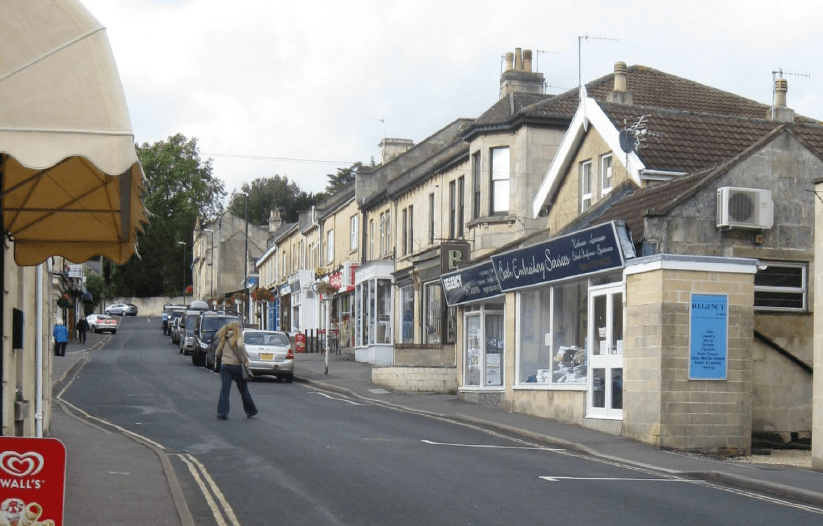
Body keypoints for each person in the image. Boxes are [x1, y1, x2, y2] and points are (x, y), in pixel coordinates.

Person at [214, 322, 257, 420]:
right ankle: (251, 411)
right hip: (236, 366)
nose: (241, 329)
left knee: (225, 390)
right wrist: (245, 359)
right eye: (240, 327)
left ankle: (222, 413)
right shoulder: (238, 336)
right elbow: (240, 346)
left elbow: (217, 352)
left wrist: (224, 358)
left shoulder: (224, 337)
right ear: (237, 328)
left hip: (225, 366)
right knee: (243, 390)